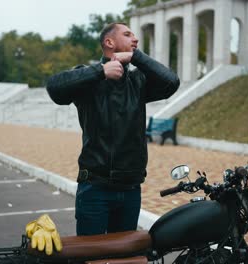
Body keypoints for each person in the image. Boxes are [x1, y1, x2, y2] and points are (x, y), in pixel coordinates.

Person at [46, 22, 179, 236]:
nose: (135, 39)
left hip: (131, 189)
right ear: (109, 42)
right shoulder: (88, 77)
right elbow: (54, 87)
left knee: (123, 258)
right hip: (95, 189)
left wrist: (136, 57)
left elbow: (171, 82)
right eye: (127, 35)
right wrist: (100, 71)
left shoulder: (138, 80)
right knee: (91, 256)